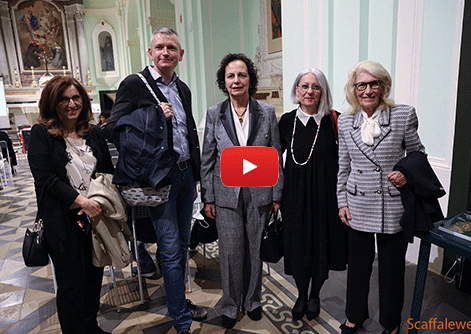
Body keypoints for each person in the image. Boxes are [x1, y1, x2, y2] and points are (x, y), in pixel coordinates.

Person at [105, 27, 203, 334]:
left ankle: (178, 302)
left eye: (171, 48)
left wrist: (197, 175)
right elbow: (111, 127)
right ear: (150, 52)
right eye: (159, 47)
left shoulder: (183, 88)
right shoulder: (135, 84)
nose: (165, 52)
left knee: (183, 246)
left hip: (186, 175)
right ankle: (181, 320)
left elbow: (188, 133)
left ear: (180, 55)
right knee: (171, 249)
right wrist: (151, 114)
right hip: (160, 180)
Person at [337, 60, 425, 334]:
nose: (367, 90)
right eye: (361, 85)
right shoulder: (346, 120)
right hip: (357, 202)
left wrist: (405, 173)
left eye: (373, 83)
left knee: (391, 270)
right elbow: (344, 165)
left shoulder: (402, 115)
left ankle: (390, 323)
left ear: (383, 86)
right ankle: (354, 316)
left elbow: (417, 155)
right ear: (353, 89)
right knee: (358, 268)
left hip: (390, 203)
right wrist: (341, 201)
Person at [200, 53, 283, 329]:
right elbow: (208, 159)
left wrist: (277, 194)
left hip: (260, 193)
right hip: (226, 196)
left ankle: (254, 301)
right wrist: (208, 197)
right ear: (224, 82)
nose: (237, 80)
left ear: (250, 79)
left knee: (255, 251)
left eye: (242, 75)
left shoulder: (267, 112)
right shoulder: (215, 113)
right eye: (231, 76)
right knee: (231, 252)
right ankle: (230, 303)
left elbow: (275, 155)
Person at [28, 76, 114, 334]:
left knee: (93, 277)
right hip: (62, 221)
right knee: (71, 284)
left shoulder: (94, 132)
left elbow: (107, 172)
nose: (71, 104)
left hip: (93, 218)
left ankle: (91, 325)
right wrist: (81, 202)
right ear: (52, 103)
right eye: (64, 99)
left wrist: (95, 203)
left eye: (76, 98)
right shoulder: (42, 134)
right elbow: (45, 180)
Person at [278, 68, 347, 321]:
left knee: (322, 248)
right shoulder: (287, 121)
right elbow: (274, 159)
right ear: (296, 90)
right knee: (298, 248)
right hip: (294, 198)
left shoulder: (335, 120)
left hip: (326, 199)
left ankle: (315, 294)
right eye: (304, 86)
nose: (310, 91)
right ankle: (301, 294)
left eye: (315, 87)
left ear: (323, 91)